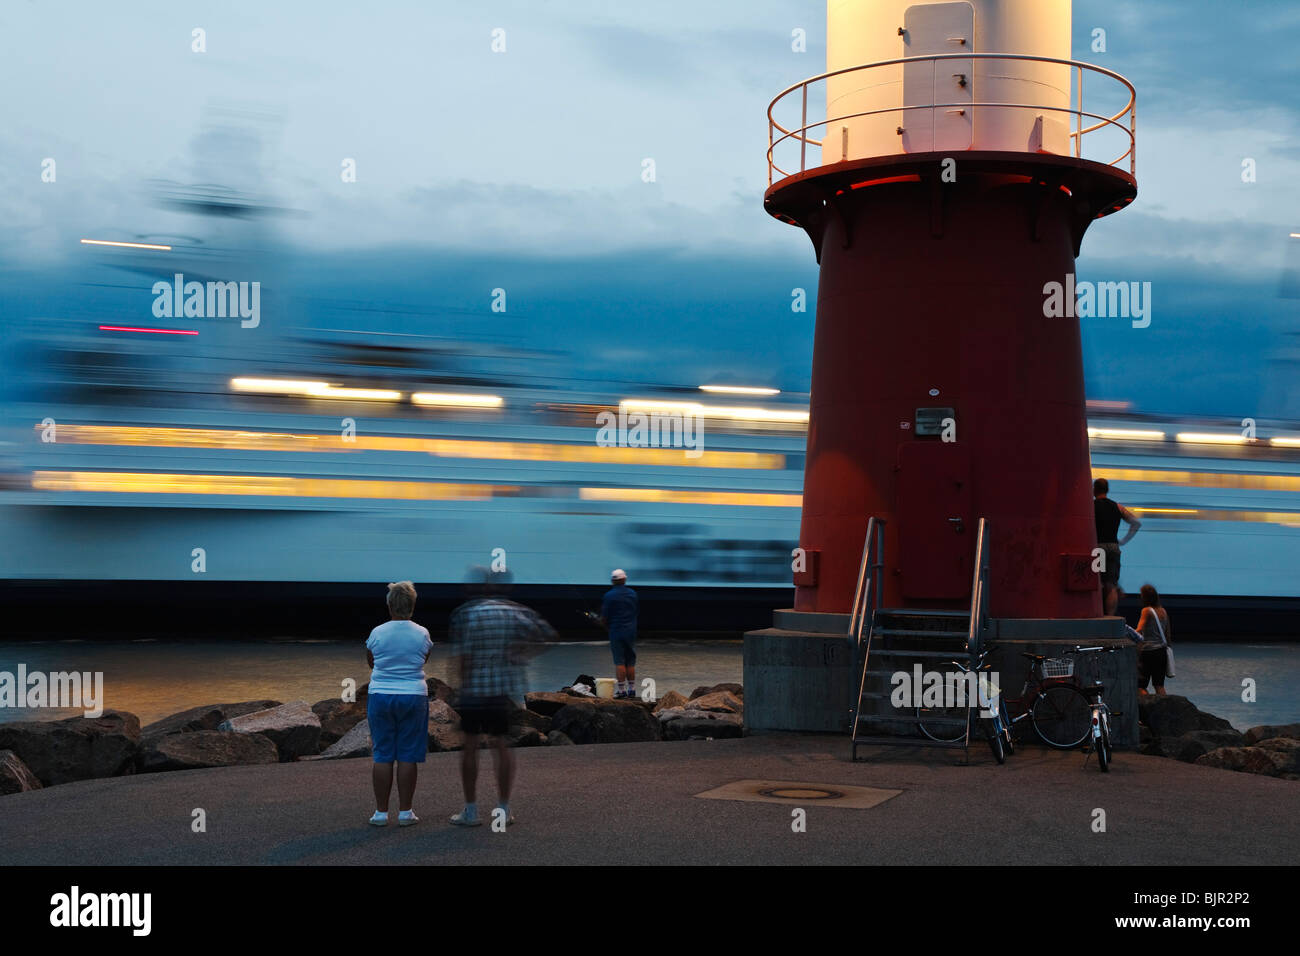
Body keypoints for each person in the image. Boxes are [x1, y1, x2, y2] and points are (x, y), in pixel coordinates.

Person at [449, 568, 555, 828]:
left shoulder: (467, 614)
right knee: (501, 746)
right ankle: (504, 808)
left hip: (473, 691)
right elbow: (549, 636)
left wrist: (457, 690)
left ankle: (471, 811)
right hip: (500, 693)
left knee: (471, 747)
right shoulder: (515, 611)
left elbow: (463, 658)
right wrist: (521, 653)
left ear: (485, 588)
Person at [364, 581, 432, 827]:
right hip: (414, 695)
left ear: (390, 604)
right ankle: (405, 812)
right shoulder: (422, 633)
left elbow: (372, 662)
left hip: (381, 694)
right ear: (412, 605)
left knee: (382, 755)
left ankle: (381, 813)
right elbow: (423, 660)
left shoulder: (377, 632)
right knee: (407, 755)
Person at [1094, 477, 1142, 615]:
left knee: (1097, 583)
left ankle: (1097, 614)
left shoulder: (1091, 505)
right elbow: (1136, 523)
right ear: (1107, 490)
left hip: (1097, 548)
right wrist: (1124, 540)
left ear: (1094, 489)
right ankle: (1110, 617)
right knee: (1112, 586)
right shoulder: (1118, 507)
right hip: (1114, 548)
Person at [599, 568, 639, 699]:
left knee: (619, 662)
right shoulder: (633, 594)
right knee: (631, 662)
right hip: (631, 631)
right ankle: (632, 690)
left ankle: (621, 691)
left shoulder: (609, 596)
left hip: (616, 631)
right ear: (624, 579)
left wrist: (603, 625)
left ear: (613, 581)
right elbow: (635, 611)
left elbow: (604, 618)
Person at [1134, 584, 1172, 696]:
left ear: (1145, 597)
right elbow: (1168, 635)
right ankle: (1164, 708)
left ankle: (1148, 708)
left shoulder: (1146, 611)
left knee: (1140, 686)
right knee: (1159, 685)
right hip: (1161, 652)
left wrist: (1127, 634)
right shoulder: (1163, 611)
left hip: (1148, 652)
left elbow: (1139, 629)